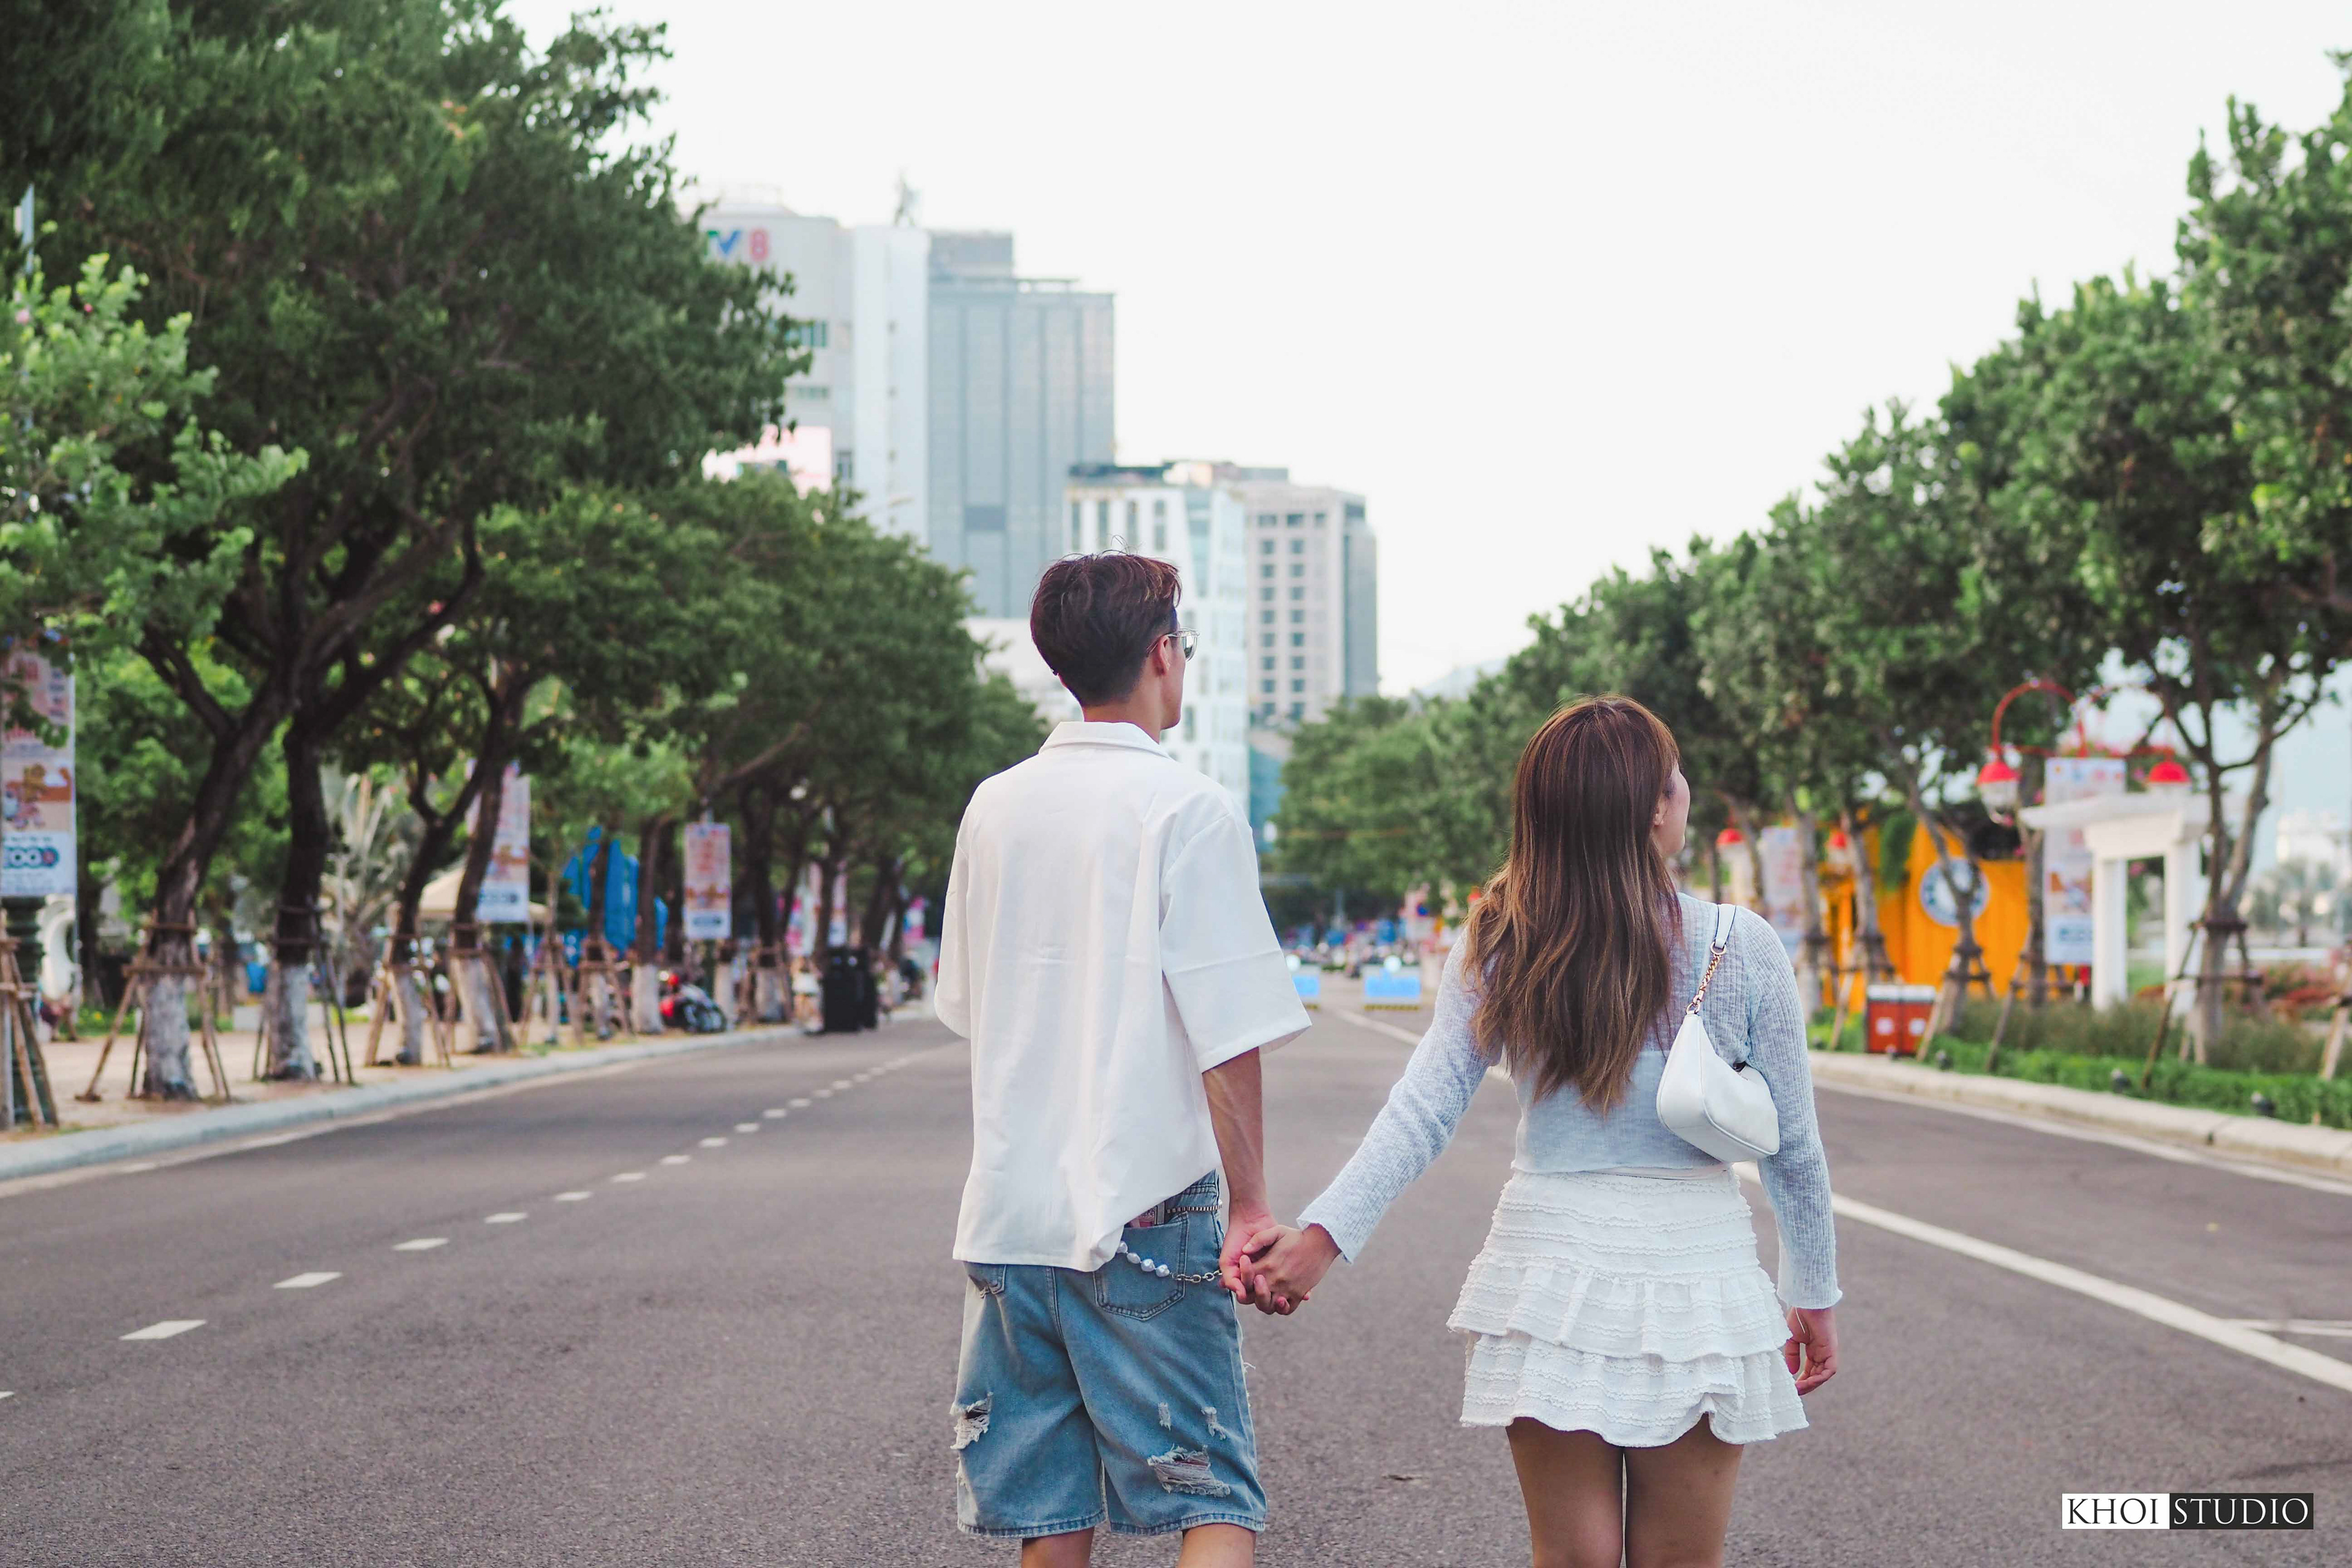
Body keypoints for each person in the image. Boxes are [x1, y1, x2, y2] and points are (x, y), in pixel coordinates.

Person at [1242, 696, 1841, 1568]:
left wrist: (1320, 1240)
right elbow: (1796, 1146)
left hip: (1547, 1269)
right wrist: (1812, 1290)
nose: (1685, 791)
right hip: (1695, 1274)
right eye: (1674, 777)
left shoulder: (1504, 941)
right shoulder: (1738, 944)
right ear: (1650, 809)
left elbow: (1423, 1110)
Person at [936, 552, 1311, 1567]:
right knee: (1213, 1496)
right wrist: (1251, 1206)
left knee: (1050, 1518)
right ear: (1161, 654)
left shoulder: (992, 807)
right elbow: (1229, 1037)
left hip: (1012, 1220)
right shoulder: (1187, 809)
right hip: (1144, 1210)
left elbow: (967, 1003)